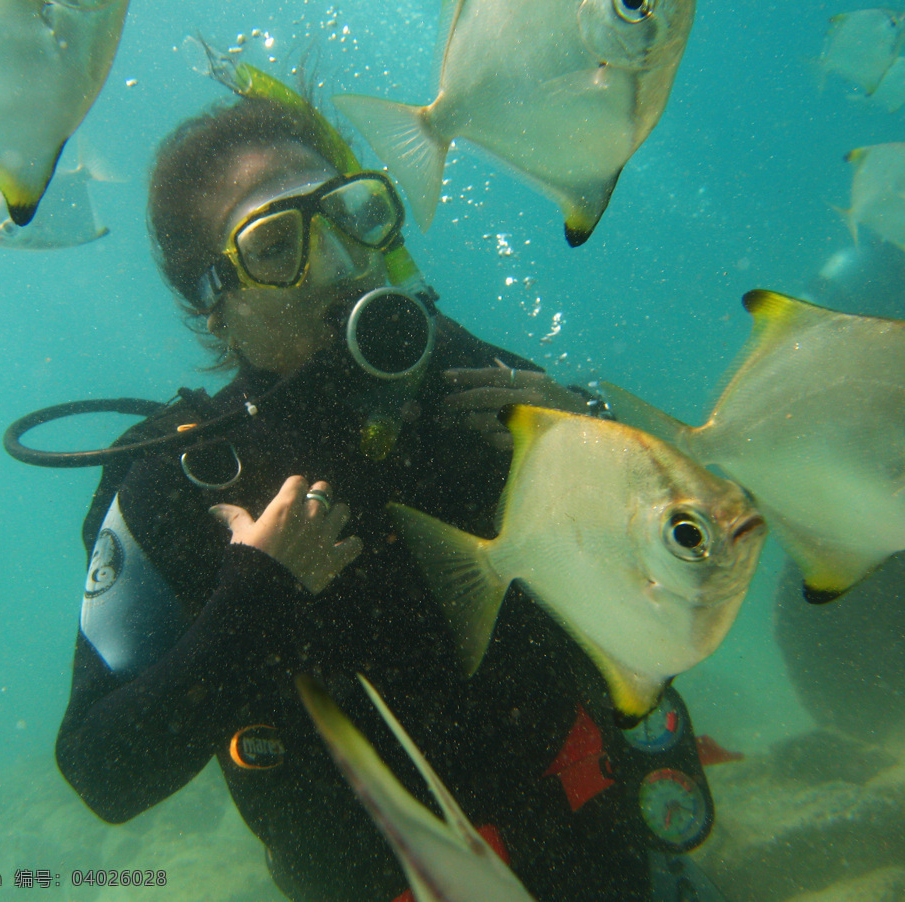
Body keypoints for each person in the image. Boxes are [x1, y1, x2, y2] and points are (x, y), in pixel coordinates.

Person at [53, 78, 720, 902]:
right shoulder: (178, 480)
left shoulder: (469, 378)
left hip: (595, 846)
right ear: (211, 301)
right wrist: (251, 599)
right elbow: (102, 770)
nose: (335, 259)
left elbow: (672, 566)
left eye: (350, 213)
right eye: (274, 245)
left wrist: (587, 450)